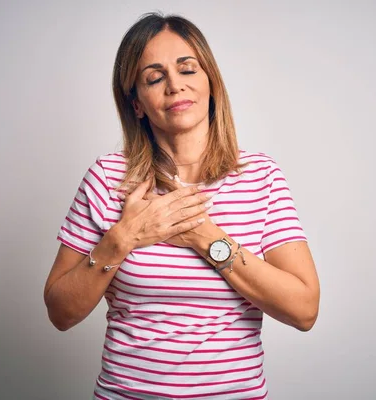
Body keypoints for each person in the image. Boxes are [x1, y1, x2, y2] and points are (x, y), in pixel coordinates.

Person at [44, 12, 320, 400]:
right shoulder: (107, 179)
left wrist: (207, 238)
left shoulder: (261, 177)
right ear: (137, 104)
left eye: (187, 69)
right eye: (154, 78)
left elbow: (304, 310)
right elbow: (60, 312)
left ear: (210, 83)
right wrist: (123, 237)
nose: (175, 86)